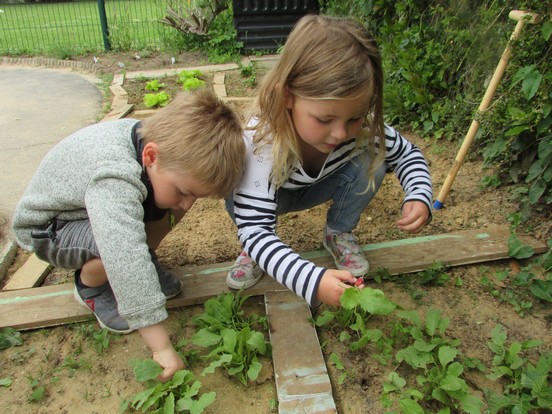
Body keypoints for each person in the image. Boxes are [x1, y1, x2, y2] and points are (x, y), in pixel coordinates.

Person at [12, 89, 245, 381]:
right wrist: (161, 347)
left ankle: (140, 267)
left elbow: (155, 211)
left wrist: (179, 199)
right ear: (151, 155)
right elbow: (122, 249)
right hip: (49, 229)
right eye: (185, 191)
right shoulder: (116, 177)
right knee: (117, 243)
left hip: (85, 210)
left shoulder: (156, 151)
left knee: (163, 209)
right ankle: (91, 286)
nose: (188, 202)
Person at [225, 14, 433, 307]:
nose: (340, 132)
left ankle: (338, 232)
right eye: (324, 119)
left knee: (374, 155)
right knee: (241, 190)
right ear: (288, 96)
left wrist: (419, 194)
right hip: (270, 196)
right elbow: (255, 227)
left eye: (354, 116)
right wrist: (312, 280)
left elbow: (407, 154)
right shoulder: (261, 142)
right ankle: (255, 251)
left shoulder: (359, 130)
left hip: (322, 183)